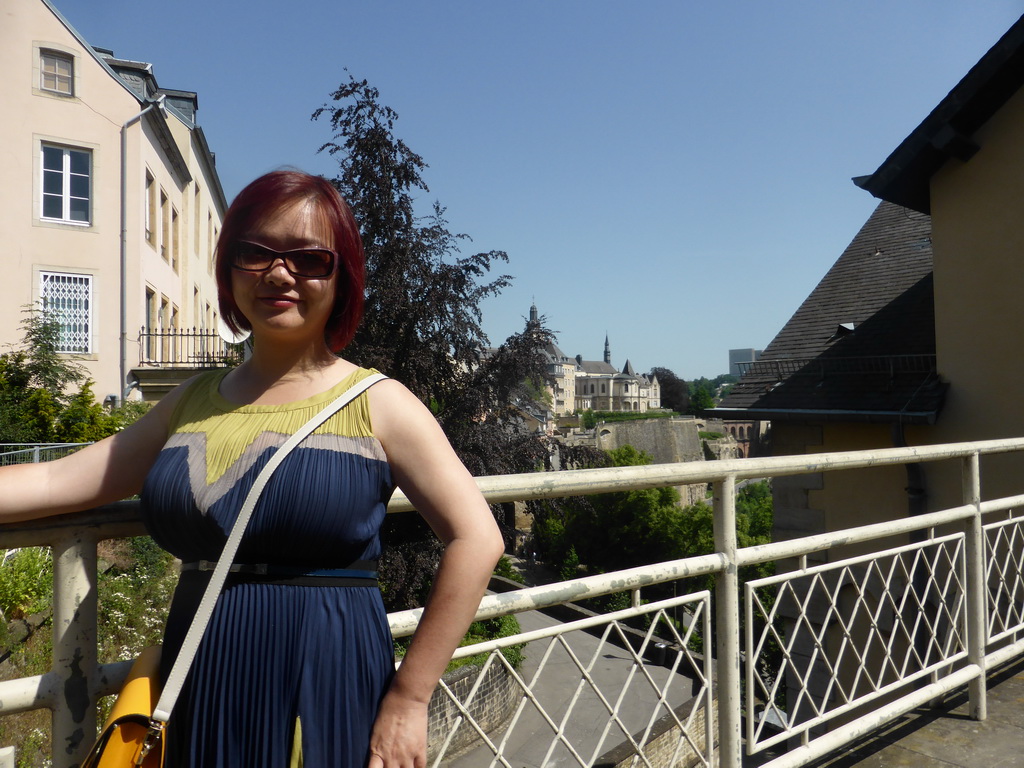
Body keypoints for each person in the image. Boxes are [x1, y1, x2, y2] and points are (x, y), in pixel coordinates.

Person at [0, 169, 505, 766]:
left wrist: (411, 696)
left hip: (324, 677)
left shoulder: (379, 403)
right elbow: (61, 479)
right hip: (203, 668)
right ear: (229, 267)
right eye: (255, 252)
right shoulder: (190, 400)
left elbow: (477, 538)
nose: (279, 273)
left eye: (310, 259)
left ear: (340, 277)